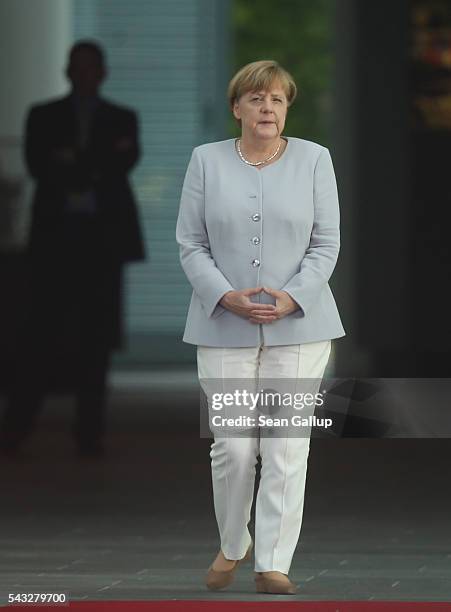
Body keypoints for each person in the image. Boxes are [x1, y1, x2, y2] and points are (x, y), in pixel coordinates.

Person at [176, 60, 345, 594]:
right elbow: (190, 243)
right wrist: (225, 295)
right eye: (255, 99)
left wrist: (293, 296)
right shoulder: (206, 160)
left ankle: (274, 561)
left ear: (287, 107)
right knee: (234, 446)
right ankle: (233, 543)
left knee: (287, 444)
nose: (266, 107)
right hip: (223, 322)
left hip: (302, 325)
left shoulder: (316, 160)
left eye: (276, 99)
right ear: (237, 108)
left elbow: (327, 242)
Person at [0, 40, 145, 457]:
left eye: (90, 67)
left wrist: (73, 162)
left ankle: (89, 431)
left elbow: (119, 163)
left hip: (101, 243)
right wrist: (94, 165)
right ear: (69, 71)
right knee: (38, 333)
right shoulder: (44, 116)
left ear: (102, 72)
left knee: (95, 339)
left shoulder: (122, 118)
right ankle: (17, 425)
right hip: (56, 241)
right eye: (78, 67)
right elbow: (40, 165)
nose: (84, 74)